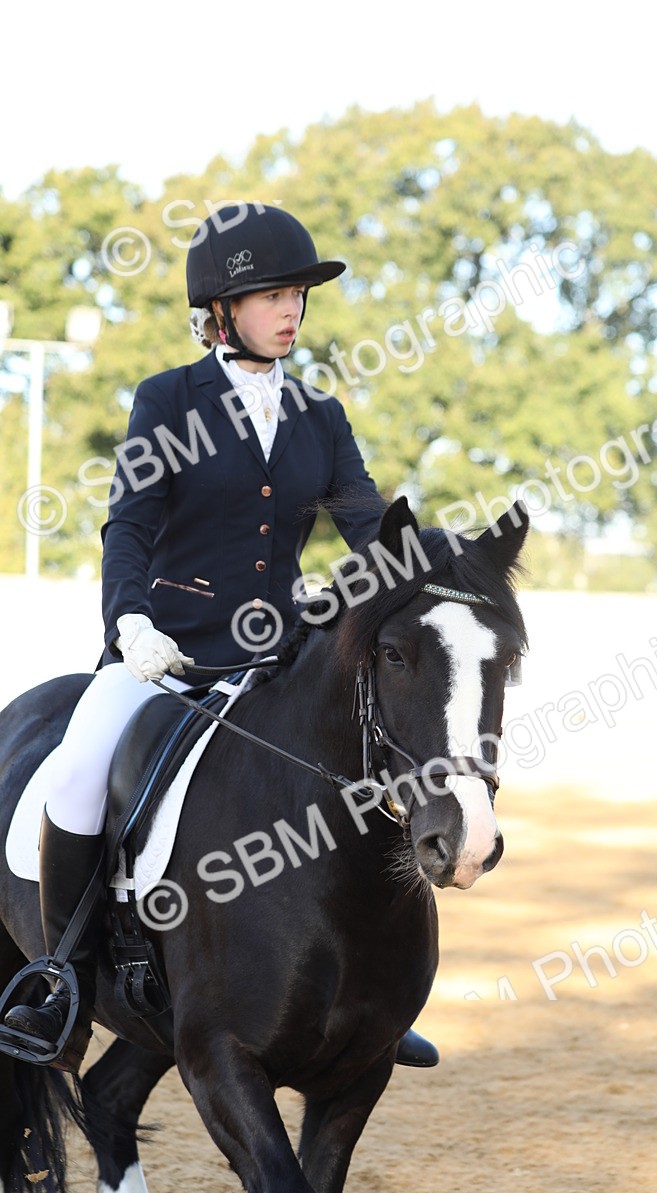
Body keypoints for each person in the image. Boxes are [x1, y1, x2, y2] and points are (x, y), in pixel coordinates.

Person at [3, 204, 438, 1071]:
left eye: (298, 296)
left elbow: (367, 525)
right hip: (164, 656)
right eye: (273, 295)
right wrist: (129, 622)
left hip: (275, 661)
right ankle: (63, 985)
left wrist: (430, 577)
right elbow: (129, 524)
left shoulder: (319, 414)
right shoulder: (168, 399)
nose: (291, 310)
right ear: (222, 310)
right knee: (79, 772)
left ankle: (371, 994)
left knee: (373, 765)